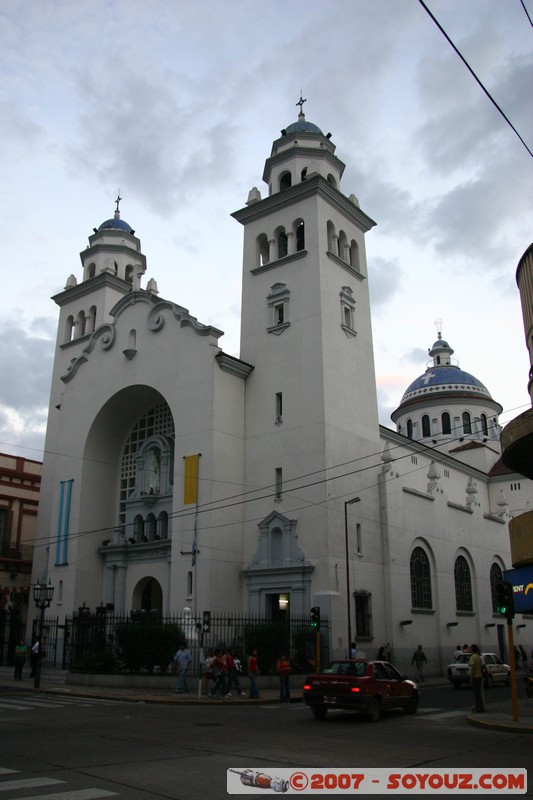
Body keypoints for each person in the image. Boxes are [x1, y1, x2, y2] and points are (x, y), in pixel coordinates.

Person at [469, 643, 485, 713]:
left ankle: (478, 707)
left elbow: (473, 667)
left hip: (475, 676)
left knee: (476, 693)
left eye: (470, 648)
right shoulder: (478, 656)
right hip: (479, 675)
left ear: (472, 649)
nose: (469, 649)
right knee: (478, 693)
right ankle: (479, 706)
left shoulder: (473, 657)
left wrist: (471, 677)